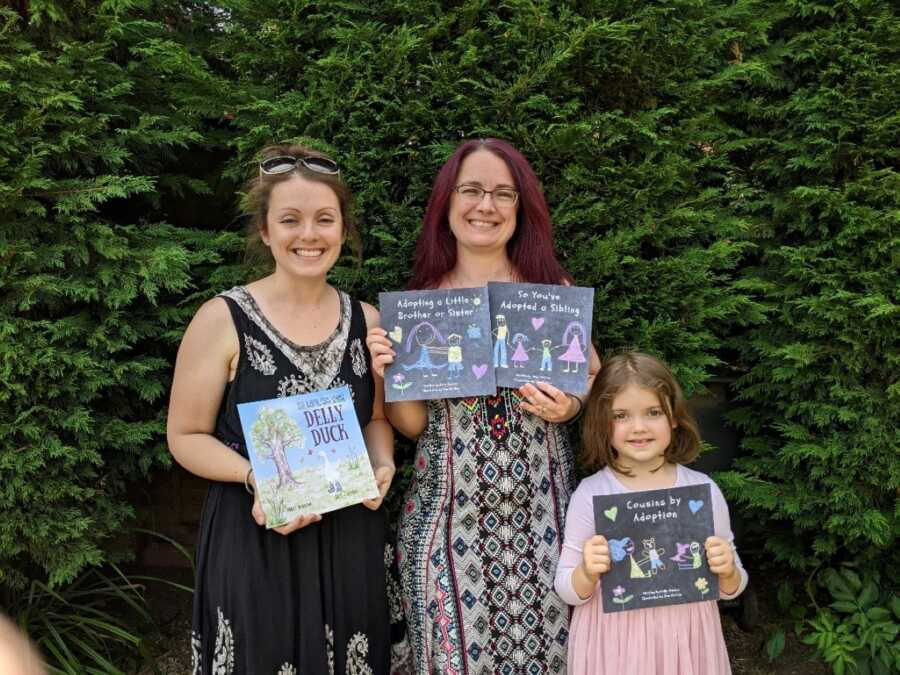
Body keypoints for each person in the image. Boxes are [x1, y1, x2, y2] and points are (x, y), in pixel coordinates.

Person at [367, 138, 601, 673]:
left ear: (521, 210)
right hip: (449, 520)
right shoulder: (423, 303)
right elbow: (412, 427)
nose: (485, 206)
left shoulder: (548, 292)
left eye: (503, 194)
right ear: (447, 203)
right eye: (471, 190)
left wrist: (569, 407)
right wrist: (389, 377)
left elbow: (589, 374)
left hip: (544, 520)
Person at [167, 145, 398, 674]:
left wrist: (382, 463)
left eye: (324, 219)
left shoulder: (370, 320)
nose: (309, 235)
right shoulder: (221, 319)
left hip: (349, 539)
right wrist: (258, 479)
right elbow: (184, 435)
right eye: (290, 220)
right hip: (258, 538)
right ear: (266, 232)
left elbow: (377, 420)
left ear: (343, 229)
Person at [554, 351, 747, 674]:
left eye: (653, 412)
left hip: (685, 639)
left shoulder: (702, 490)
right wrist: (587, 571)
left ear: (673, 416)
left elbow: (733, 586)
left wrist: (727, 570)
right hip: (616, 645)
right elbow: (567, 589)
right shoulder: (591, 494)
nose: (639, 427)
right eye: (621, 415)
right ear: (602, 421)